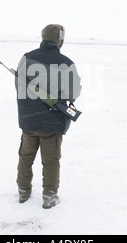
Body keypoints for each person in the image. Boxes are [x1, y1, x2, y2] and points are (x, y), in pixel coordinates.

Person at [15, 24, 82, 209]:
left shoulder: (26, 57)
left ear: (43, 37)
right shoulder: (67, 63)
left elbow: (19, 86)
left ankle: (23, 191)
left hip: (28, 121)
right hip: (52, 123)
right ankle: (50, 197)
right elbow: (74, 93)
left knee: (25, 157)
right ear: (60, 39)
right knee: (50, 161)